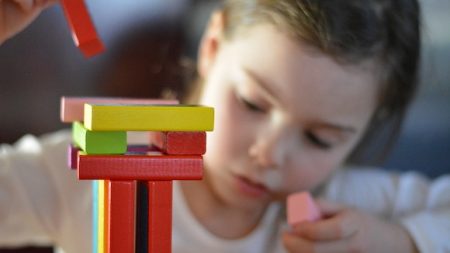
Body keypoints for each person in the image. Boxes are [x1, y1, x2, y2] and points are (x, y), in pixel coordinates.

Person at [0, 0, 449, 253]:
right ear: (212, 47)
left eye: (319, 138)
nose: (269, 153)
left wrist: (402, 241)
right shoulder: (98, 167)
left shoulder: (339, 210)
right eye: (252, 103)